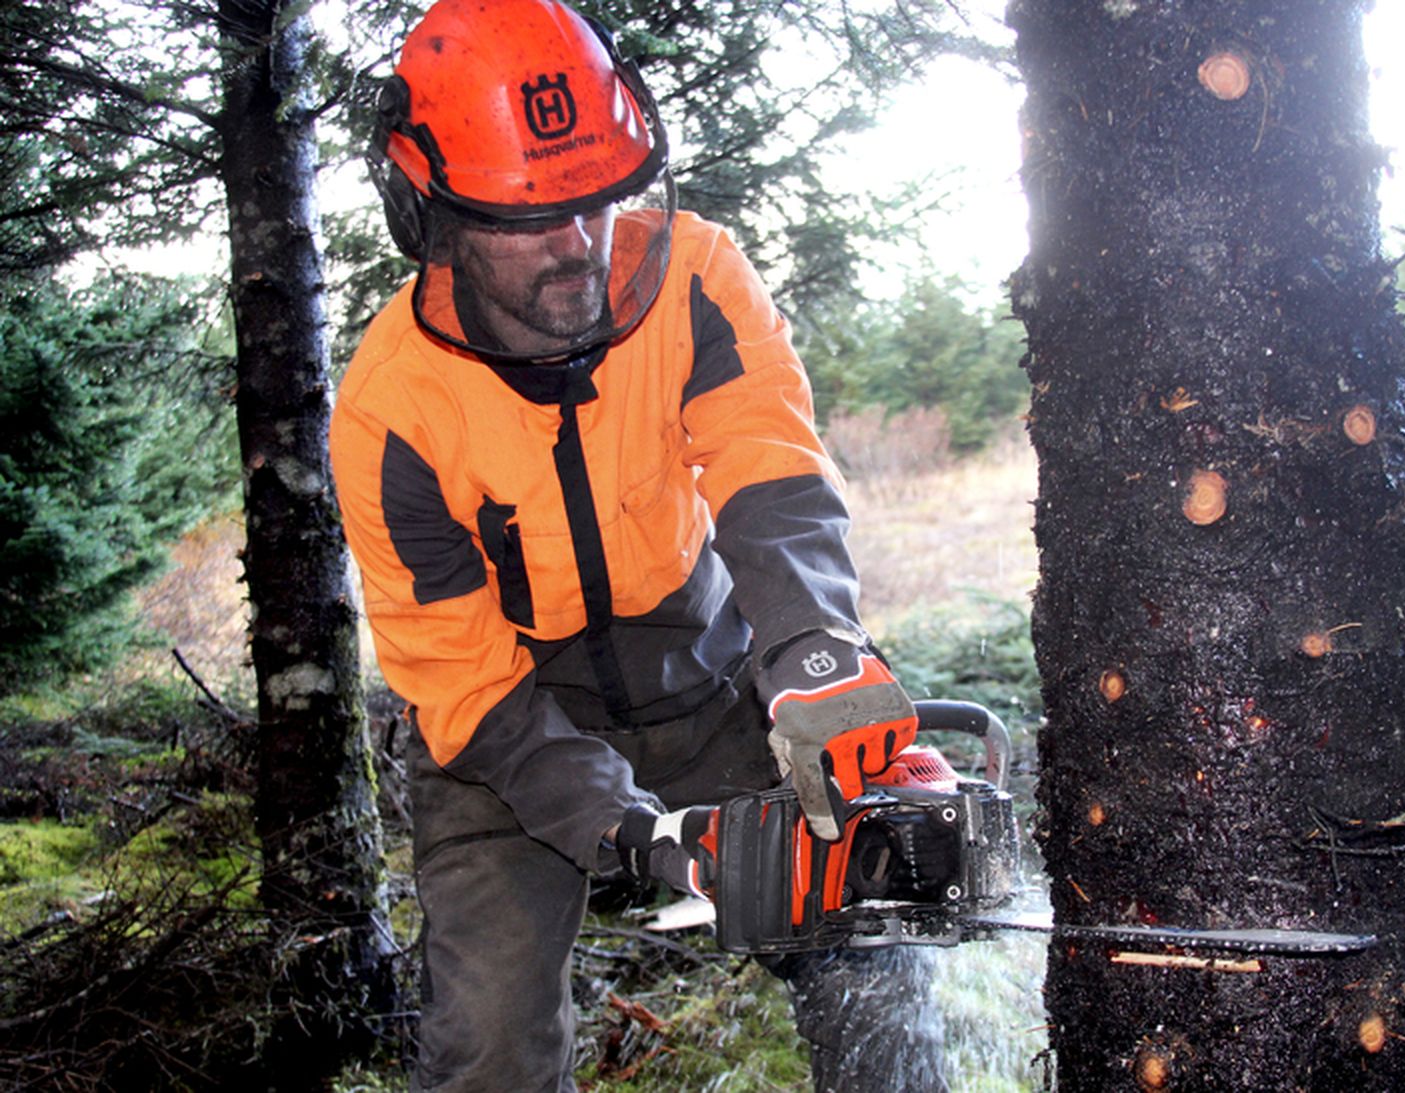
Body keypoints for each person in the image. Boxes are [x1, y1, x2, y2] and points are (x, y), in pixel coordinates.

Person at [328, 1, 948, 1089]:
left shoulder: (696, 276)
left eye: (594, 201)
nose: (578, 246)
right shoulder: (391, 412)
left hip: (704, 676)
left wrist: (809, 648)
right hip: (509, 727)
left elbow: (768, 468)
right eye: (529, 219)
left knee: (866, 932)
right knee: (484, 1045)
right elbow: (465, 690)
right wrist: (636, 832)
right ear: (434, 218)